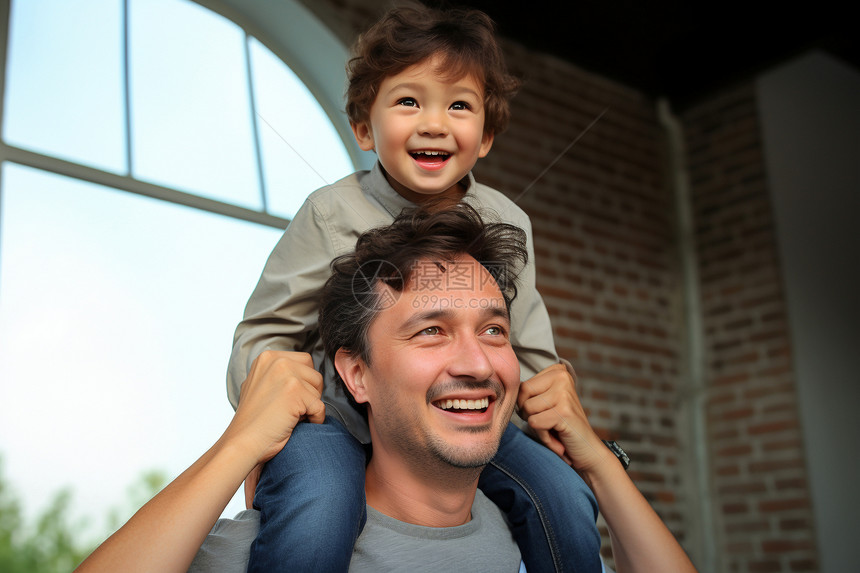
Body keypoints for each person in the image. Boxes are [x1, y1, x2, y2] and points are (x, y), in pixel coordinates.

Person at [74, 204, 698, 572]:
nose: (477, 363)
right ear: (356, 374)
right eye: (431, 331)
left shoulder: (534, 537)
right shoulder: (276, 545)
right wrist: (240, 445)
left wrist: (596, 462)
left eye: (493, 330)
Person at [228, 3, 601, 571]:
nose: (434, 123)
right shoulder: (330, 214)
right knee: (319, 504)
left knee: (565, 497)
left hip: (456, 413)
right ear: (363, 128)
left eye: (459, 105)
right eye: (408, 101)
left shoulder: (508, 221)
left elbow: (528, 353)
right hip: (337, 421)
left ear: (486, 137)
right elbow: (265, 335)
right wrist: (271, 422)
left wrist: (555, 414)